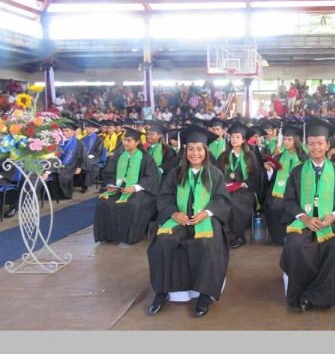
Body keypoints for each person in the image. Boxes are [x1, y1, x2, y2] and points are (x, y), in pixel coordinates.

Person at [146, 125, 231, 318]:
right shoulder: (175, 173)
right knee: (162, 242)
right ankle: (162, 291)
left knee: (208, 243)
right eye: (191, 149)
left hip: (205, 220)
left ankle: (205, 293)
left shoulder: (215, 174)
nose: (195, 153)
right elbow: (164, 197)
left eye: (199, 149)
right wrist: (174, 213)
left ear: (206, 151)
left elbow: (222, 200)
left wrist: (207, 212)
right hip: (180, 219)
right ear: (185, 151)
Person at [280, 117, 335, 312]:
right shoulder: (297, 172)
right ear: (306, 145)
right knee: (296, 244)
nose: (316, 147)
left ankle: (321, 294)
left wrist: (334, 216)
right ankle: (302, 292)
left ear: (328, 145)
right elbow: (288, 201)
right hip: (305, 220)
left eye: (320, 143)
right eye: (312, 143)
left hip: (330, 221)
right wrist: (304, 217)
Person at [94, 127, 160, 245]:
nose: (125, 143)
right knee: (102, 201)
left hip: (140, 190)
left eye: (129, 140)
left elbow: (151, 177)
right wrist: (111, 185)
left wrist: (134, 187)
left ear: (137, 142)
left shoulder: (146, 158)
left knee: (132, 203)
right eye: (124, 140)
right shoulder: (119, 157)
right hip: (118, 189)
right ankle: (109, 235)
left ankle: (130, 236)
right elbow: (109, 173)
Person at [216, 121, 260, 249]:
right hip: (226, 189)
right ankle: (224, 234)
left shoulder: (249, 156)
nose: (234, 139)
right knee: (221, 201)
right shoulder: (224, 156)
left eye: (237, 137)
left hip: (245, 190)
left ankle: (239, 235)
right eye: (232, 137)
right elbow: (217, 174)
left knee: (235, 202)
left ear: (243, 140)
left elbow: (256, 176)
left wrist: (243, 184)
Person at [263, 124, 308, 245]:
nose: (286, 142)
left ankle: (293, 236)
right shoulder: (278, 157)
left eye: (290, 139)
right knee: (273, 207)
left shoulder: (305, 158)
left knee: (292, 207)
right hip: (280, 192)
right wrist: (269, 170)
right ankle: (278, 237)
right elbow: (271, 180)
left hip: (299, 194)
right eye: (285, 139)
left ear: (296, 141)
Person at [52, 120, 85, 199]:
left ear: (73, 132)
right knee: (51, 171)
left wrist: (79, 167)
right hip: (58, 163)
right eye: (63, 131)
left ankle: (64, 194)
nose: (64, 133)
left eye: (67, 131)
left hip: (72, 164)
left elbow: (82, 156)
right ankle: (53, 195)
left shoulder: (78, 142)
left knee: (60, 174)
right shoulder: (58, 141)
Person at [80, 119, 106, 194]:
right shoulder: (83, 139)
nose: (86, 129)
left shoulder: (99, 139)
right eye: (86, 127)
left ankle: (85, 185)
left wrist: (89, 156)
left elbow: (99, 151)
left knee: (87, 163)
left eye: (89, 127)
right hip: (84, 157)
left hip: (94, 158)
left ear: (93, 128)